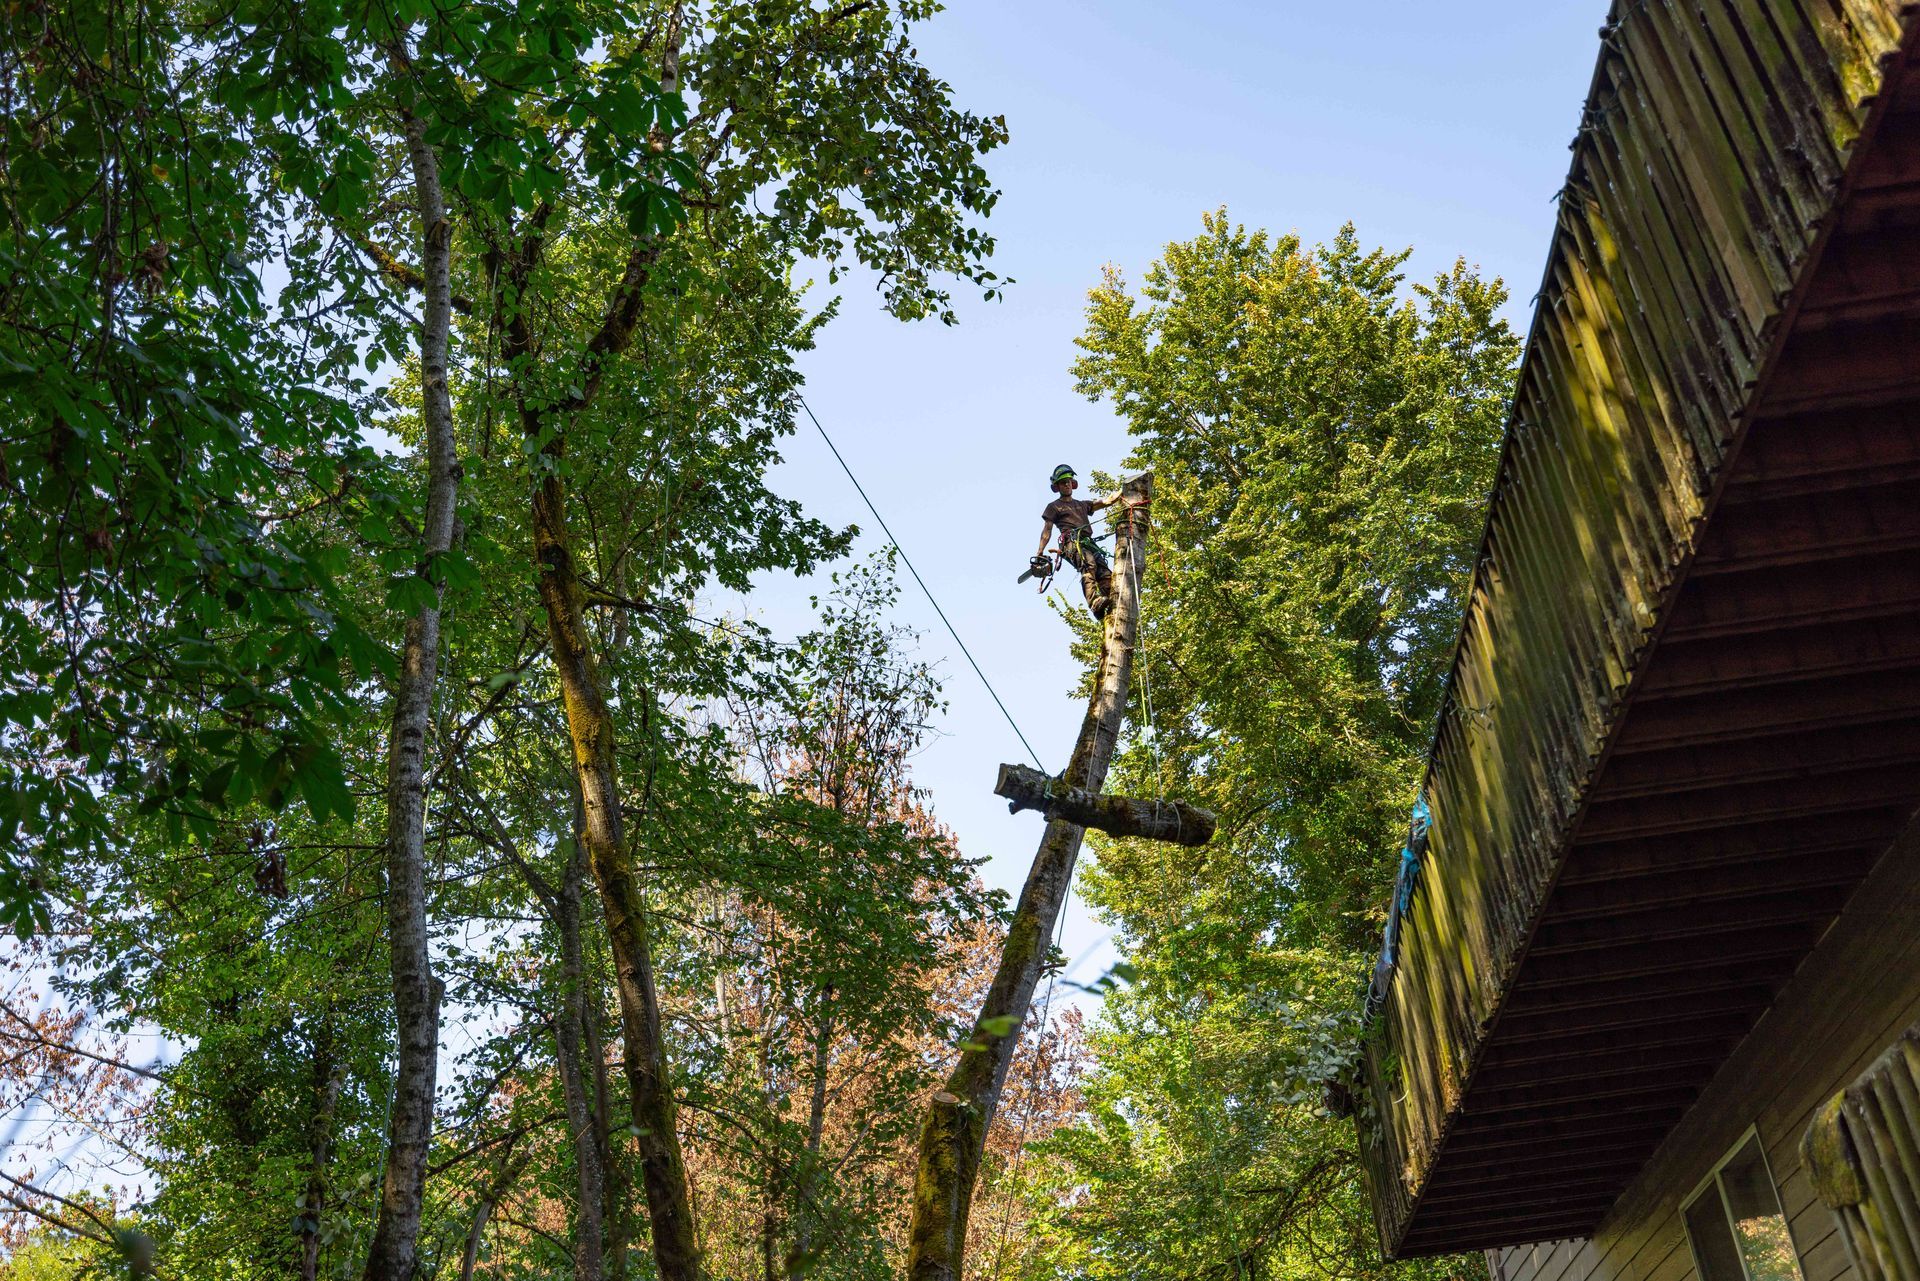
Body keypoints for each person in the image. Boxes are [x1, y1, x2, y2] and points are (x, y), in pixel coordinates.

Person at [1033, 463, 1121, 618]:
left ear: (1072, 484)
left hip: (1088, 542)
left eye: (1068, 481)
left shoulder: (1082, 504)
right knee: (1089, 564)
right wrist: (1039, 551)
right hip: (1071, 543)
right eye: (1062, 482)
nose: (1066, 484)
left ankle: (1113, 604)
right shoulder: (1054, 506)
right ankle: (1094, 602)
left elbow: (1105, 501)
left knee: (1105, 572)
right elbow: (1047, 530)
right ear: (1057, 486)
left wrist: (1123, 492)